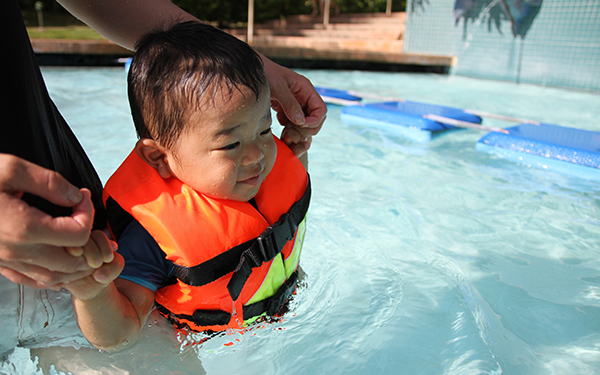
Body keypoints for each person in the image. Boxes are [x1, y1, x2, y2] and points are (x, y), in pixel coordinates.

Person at [0, 0, 325, 357]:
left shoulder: (255, 169)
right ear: (160, 158)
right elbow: (120, 335)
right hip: (212, 340)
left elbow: (288, 208)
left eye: (264, 130)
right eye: (230, 144)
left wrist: (298, 152)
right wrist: (92, 292)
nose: (257, 155)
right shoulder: (153, 238)